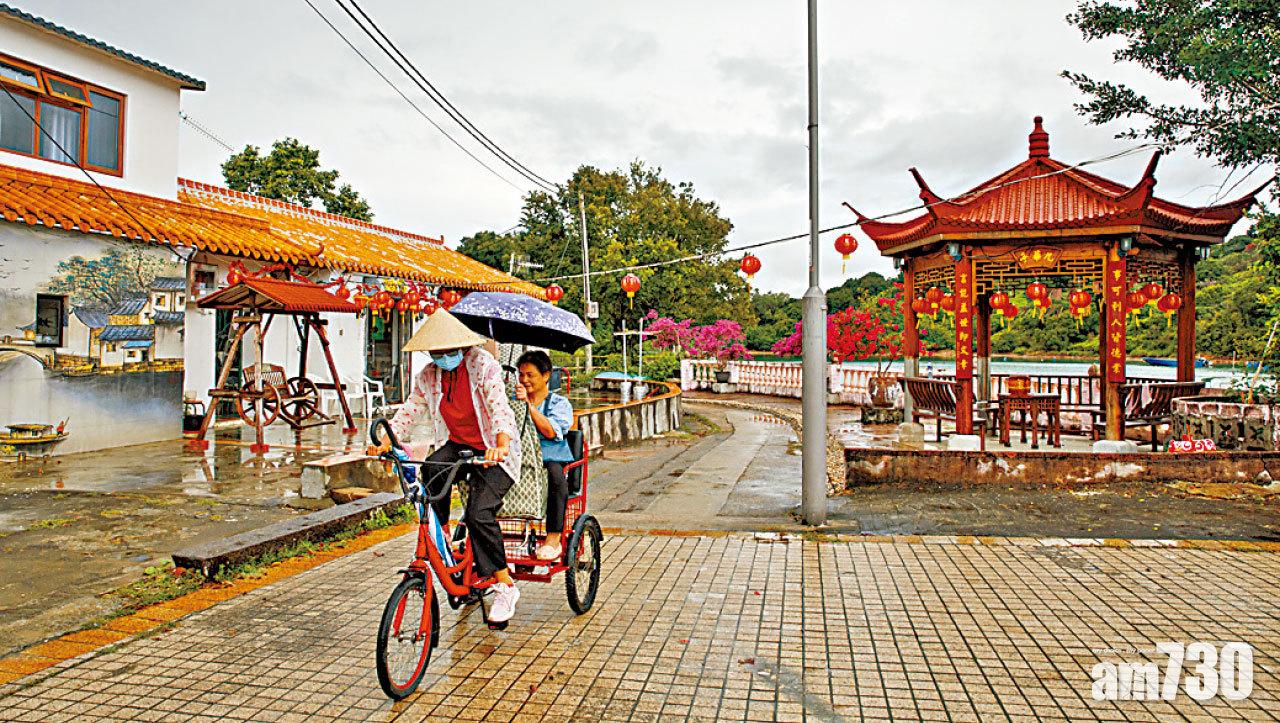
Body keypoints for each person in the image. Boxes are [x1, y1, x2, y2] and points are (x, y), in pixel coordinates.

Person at [366, 310, 522, 623]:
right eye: (436, 353)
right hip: (458, 444)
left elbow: (499, 407)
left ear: (463, 347)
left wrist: (501, 444)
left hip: (493, 448)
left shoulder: (483, 366)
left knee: (479, 512)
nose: (442, 357)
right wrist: (388, 441)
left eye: (448, 351)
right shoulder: (428, 374)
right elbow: (410, 411)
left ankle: (504, 584)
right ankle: (443, 537)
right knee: (431, 470)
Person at [514, 351, 575, 561]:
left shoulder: (559, 404)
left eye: (530, 375)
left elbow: (551, 432)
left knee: (556, 478)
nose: (524, 380)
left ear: (546, 376)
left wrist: (529, 407)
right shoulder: (513, 401)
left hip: (549, 458)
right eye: (521, 375)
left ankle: (553, 539)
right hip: (519, 457)